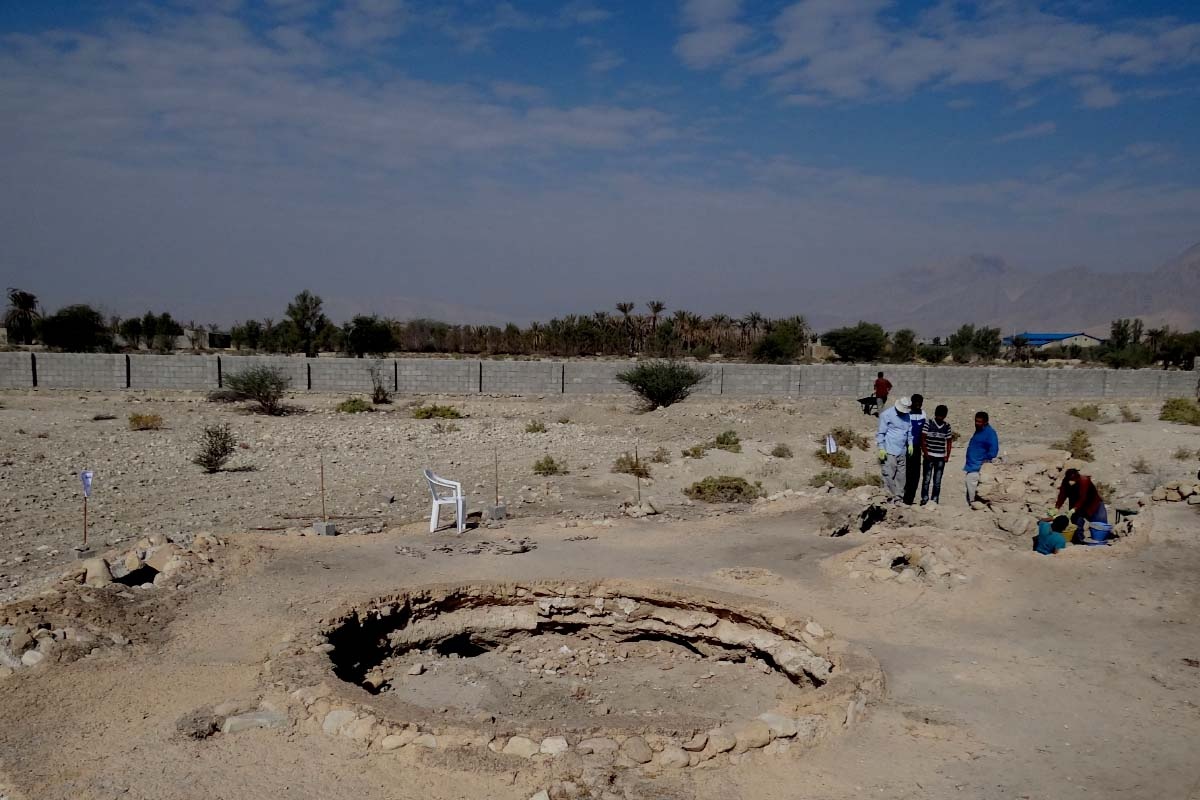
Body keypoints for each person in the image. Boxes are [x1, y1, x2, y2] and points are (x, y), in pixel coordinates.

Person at [876, 395, 913, 504]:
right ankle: (888, 498)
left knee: (901, 477)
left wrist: (910, 444)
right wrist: (881, 448)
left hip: (902, 451)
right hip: (890, 451)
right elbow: (881, 433)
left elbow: (909, 431)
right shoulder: (887, 415)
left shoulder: (907, 416)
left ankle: (899, 499)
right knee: (888, 476)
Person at [1055, 468, 1107, 541]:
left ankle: (1100, 540)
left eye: (1073, 480)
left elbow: (1083, 498)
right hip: (1076, 505)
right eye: (1069, 479)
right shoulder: (1065, 481)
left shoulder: (1084, 481)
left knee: (1100, 526)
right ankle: (1080, 540)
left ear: (1077, 478)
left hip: (1092, 504)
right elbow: (1062, 495)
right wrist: (1056, 508)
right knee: (1077, 524)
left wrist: (1074, 509)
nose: (1071, 482)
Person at [964, 411, 999, 506]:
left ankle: (974, 504)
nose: (977, 423)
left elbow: (993, 450)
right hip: (972, 465)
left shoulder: (990, 433)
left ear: (985, 422)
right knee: (970, 485)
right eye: (976, 421)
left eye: (979, 422)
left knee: (971, 483)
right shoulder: (979, 431)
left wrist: (986, 460)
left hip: (978, 466)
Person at [920, 404, 952, 505]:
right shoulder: (928, 423)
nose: (940, 418)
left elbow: (949, 441)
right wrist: (925, 453)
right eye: (939, 415)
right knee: (926, 479)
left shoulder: (947, 426)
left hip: (940, 457)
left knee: (937, 481)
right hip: (929, 456)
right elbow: (923, 439)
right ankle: (924, 499)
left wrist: (947, 455)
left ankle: (934, 499)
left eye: (942, 416)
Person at [902, 394, 926, 505]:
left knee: (916, 474)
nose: (918, 405)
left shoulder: (923, 414)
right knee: (907, 472)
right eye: (916, 402)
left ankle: (910, 498)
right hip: (907, 447)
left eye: (919, 403)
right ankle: (903, 497)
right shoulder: (906, 414)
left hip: (917, 448)